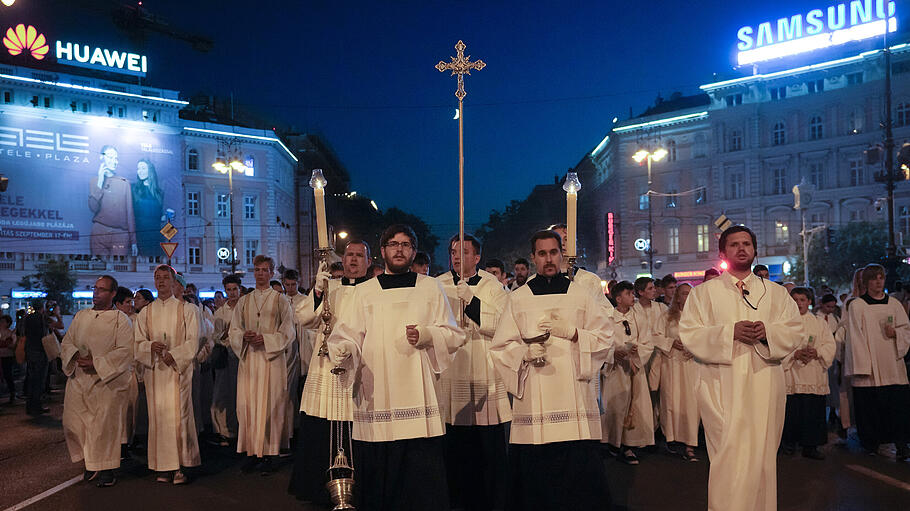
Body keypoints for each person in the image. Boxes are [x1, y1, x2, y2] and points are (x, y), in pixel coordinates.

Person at [326, 224, 463, 511]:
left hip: (418, 393)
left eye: (405, 244)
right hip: (377, 395)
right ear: (383, 251)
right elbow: (348, 336)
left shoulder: (430, 287)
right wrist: (345, 350)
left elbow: (454, 334)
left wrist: (426, 334)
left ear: (414, 251)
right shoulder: (364, 292)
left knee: (420, 479)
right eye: (393, 244)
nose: (399, 249)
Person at [679, 225, 802, 511]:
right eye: (734, 244)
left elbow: (794, 330)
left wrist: (767, 332)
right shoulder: (704, 293)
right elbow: (690, 333)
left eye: (747, 243)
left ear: (755, 249)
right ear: (722, 252)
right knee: (728, 455)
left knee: (761, 455)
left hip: (764, 381)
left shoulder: (776, 293)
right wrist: (728, 333)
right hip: (721, 384)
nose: (742, 248)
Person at [490, 230, 613, 510]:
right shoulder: (519, 298)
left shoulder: (580, 295)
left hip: (573, 398)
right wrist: (523, 353)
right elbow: (500, 348)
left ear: (562, 255)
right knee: (537, 480)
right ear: (533, 257)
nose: (548, 259)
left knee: (577, 479)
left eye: (553, 252)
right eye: (542, 253)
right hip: (535, 398)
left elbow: (606, 337)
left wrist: (575, 333)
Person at [289, 239, 371, 505]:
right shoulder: (330, 287)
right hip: (326, 366)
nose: (354, 260)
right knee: (322, 425)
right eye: (349, 255)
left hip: (359, 367)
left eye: (360, 255)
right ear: (342, 260)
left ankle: (358, 489)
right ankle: (318, 487)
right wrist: (316, 290)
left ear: (369, 262)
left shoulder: (374, 291)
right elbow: (305, 319)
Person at [436, 234, 510, 511]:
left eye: (464, 252)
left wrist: (473, 302)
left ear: (477, 257)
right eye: (453, 251)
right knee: (455, 443)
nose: (457, 257)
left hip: (483, 366)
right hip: (452, 369)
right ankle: (456, 499)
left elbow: (503, 323)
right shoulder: (439, 284)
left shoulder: (492, 286)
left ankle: (491, 500)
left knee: (487, 446)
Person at [61, 276, 134, 487]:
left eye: (102, 290)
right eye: (95, 288)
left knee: (103, 427)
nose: (96, 293)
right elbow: (67, 341)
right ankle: (91, 461)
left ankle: (107, 469)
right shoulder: (81, 315)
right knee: (73, 422)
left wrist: (97, 363)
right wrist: (74, 355)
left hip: (106, 382)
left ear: (112, 294)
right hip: (79, 380)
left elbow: (125, 351)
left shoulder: (121, 320)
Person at [134, 265, 201, 484]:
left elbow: (194, 340)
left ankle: (181, 465)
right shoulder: (146, 312)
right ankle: (163, 466)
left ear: (174, 282)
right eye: (158, 278)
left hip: (177, 372)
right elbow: (137, 342)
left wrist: (176, 355)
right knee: (159, 417)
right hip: (156, 373)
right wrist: (149, 346)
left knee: (179, 416)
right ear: (154, 282)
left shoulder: (187, 310)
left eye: (166, 278)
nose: (161, 281)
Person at [229, 255, 295, 475]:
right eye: (257, 270)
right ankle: (251, 452)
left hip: (271, 361)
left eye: (265, 270)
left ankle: (270, 454)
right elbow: (234, 329)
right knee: (248, 406)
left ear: (272, 272)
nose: (260, 274)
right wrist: (244, 336)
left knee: (270, 405)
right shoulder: (244, 301)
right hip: (250, 361)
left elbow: (288, 332)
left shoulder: (280, 300)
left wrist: (266, 340)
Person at [844, 264, 910, 459]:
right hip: (870, 370)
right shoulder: (858, 305)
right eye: (874, 278)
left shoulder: (894, 305)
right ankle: (871, 443)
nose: (878, 282)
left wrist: (896, 333)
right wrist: (863, 366)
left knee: (897, 409)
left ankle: (901, 443)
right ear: (866, 282)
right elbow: (855, 336)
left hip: (892, 366)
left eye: (881, 277)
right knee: (870, 409)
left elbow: (905, 329)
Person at [601, 280, 654, 464]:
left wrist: (636, 354)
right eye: (628, 294)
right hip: (616, 371)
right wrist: (614, 353)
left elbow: (647, 341)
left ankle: (629, 445)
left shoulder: (639, 318)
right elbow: (604, 343)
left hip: (634, 370)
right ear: (618, 298)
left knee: (634, 406)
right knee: (615, 407)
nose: (633, 297)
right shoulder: (608, 319)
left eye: (633, 293)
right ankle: (613, 443)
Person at [781, 287, 836, 460]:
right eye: (795, 300)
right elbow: (778, 346)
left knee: (812, 412)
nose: (799, 304)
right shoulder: (784, 323)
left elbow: (829, 344)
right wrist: (794, 354)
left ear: (809, 301)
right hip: (792, 375)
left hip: (813, 374)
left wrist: (817, 352)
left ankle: (811, 446)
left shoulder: (819, 322)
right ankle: (789, 444)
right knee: (792, 411)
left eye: (802, 300)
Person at [653, 283, 700, 461]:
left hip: (690, 364)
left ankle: (690, 444)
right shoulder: (667, 316)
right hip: (672, 363)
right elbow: (655, 335)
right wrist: (671, 342)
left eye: (690, 294)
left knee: (691, 403)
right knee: (672, 400)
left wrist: (694, 348)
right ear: (678, 297)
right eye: (684, 294)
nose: (687, 297)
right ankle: (671, 438)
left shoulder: (698, 317)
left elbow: (705, 337)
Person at [89, 145, 137, 257]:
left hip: (121, 234)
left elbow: (130, 214)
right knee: (98, 268)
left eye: (116, 158)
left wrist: (133, 241)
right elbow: (93, 207)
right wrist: (100, 181)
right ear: (102, 158)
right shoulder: (94, 181)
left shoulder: (124, 182)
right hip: (99, 232)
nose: (114, 161)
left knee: (120, 269)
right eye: (110, 157)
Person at [211, 274, 241, 446]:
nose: (232, 293)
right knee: (222, 392)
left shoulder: (245, 307)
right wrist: (226, 335)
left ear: (239, 289)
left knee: (239, 393)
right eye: (228, 290)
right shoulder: (220, 312)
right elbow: (215, 337)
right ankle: (224, 431)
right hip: (225, 355)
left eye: (234, 289)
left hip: (241, 356)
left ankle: (239, 429)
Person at [24, 299, 63, 416]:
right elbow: (60, 325)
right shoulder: (43, 318)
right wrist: (57, 314)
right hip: (41, 352)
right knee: (39, 380)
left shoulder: (28, 318)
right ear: (42, 307)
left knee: (31, 379)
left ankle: (30, 406)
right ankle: (36, 406)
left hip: (30, 351)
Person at [113, 287, 138, 456]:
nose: (131, 305)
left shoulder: (136, 319)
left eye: (132, 302)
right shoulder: (112, 321)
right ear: (118, 304)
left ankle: (127, 442)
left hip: (132, 370)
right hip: (114, 372)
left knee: (129, 410)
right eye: (128, 302)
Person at [281, 269, 305, 451]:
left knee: (300, 392)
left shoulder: (304, 301)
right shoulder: (280, 300)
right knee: (286, 394)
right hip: (285, 351)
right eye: (287, 285)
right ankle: (287, 432)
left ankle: (301, 431)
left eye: (293, 285)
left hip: (302, 349)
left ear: (298, 282)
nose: (290, 288)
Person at [132, 158, 166, 257]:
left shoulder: (159, 193)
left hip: (156, 235)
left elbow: (161, 215)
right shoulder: (133, 189)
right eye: (138, 168)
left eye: (143, 168)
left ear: (150, 170)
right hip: (139, 234)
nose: (140, 171)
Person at [0, 315, 18, 405]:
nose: (1, 323)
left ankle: (12, 393)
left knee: (8, 375)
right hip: (2, 355)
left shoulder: (10, 333)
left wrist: (5, 344)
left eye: (3, 322)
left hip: (7, 356)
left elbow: (12, 345)